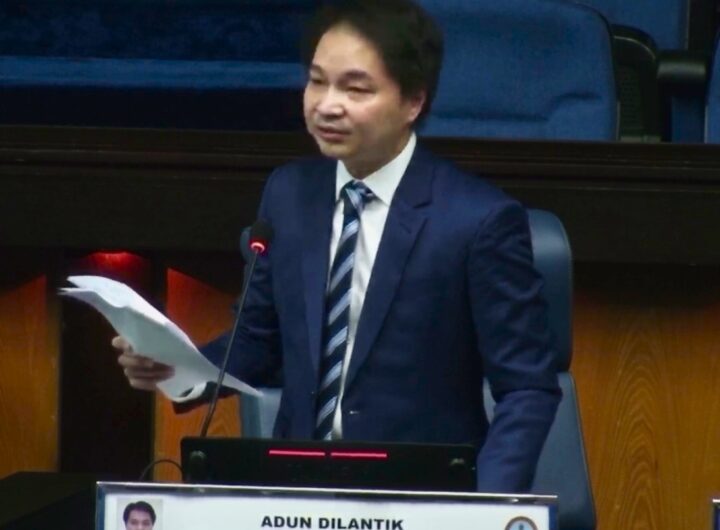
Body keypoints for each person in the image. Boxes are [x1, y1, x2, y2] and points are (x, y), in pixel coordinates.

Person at [113, 0, 560, 493]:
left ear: (413, 101)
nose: (326, 105)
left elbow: (527, 388)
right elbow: (258, 339)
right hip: (294, 489)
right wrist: (177, 365)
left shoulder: (478, 220)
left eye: (355, 88)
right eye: (317, 81)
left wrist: (482, 508)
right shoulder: (288, 194)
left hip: (422, 493)